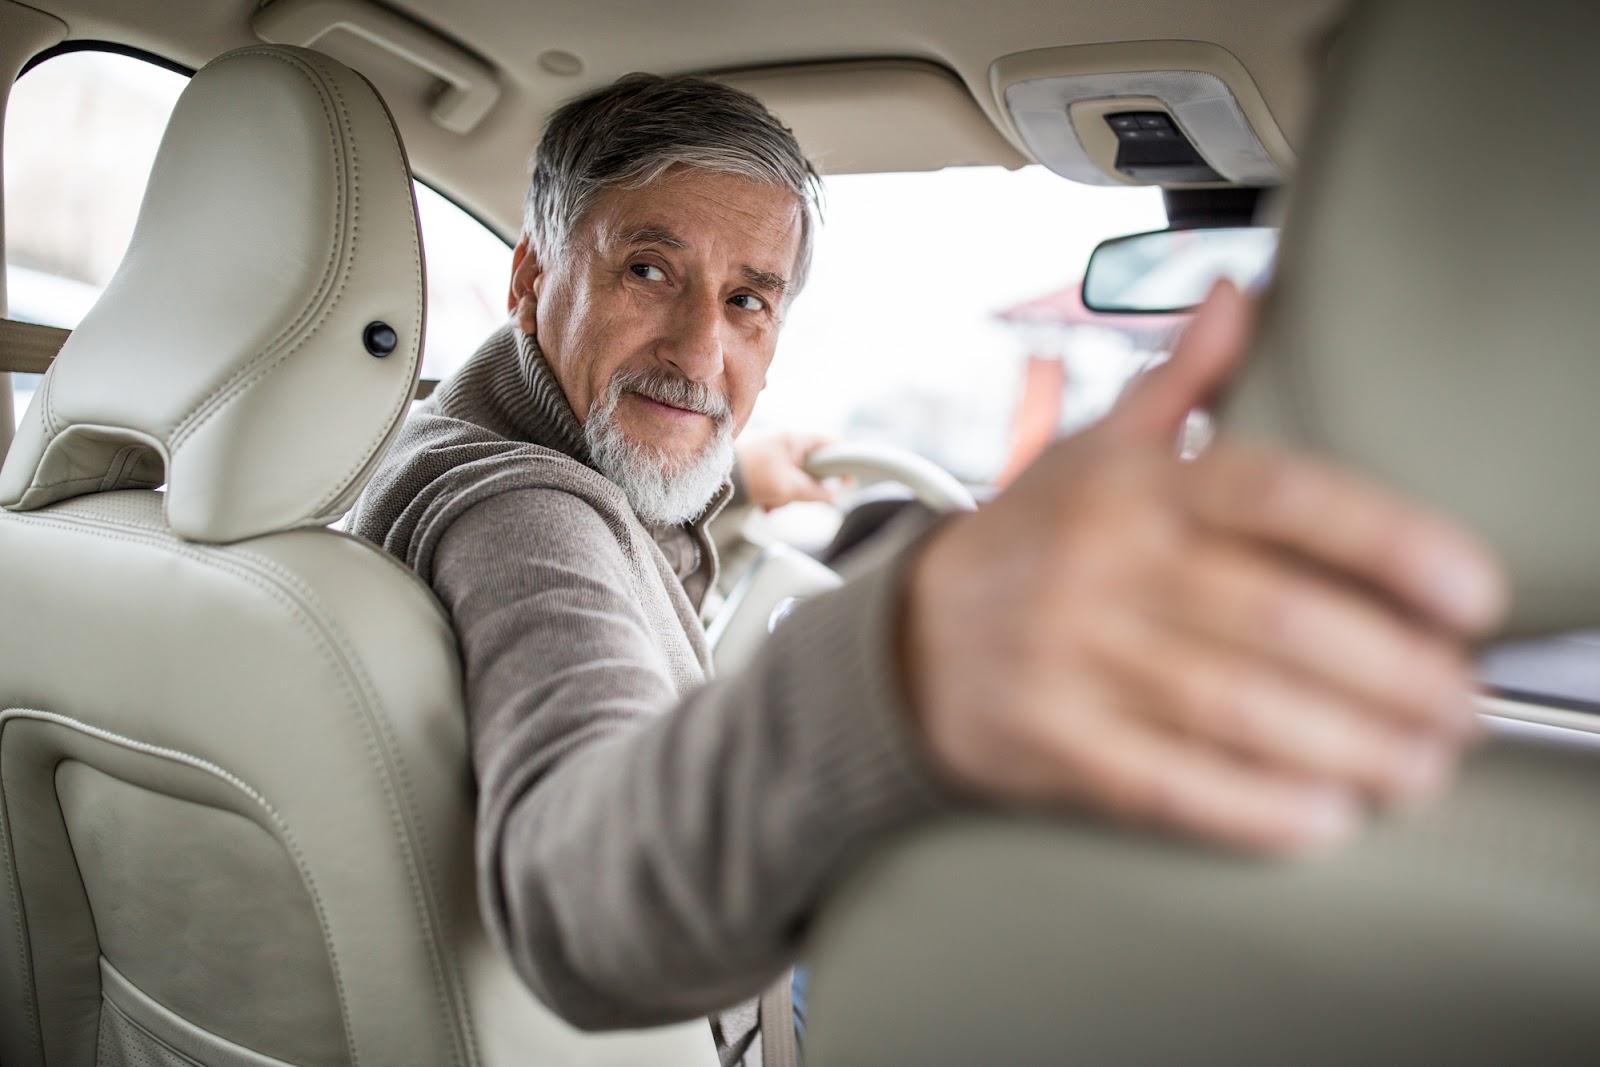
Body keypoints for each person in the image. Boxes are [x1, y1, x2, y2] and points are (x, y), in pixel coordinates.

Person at [347, 73, 1505, 1065]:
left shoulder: (438, 450)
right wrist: (905, 658)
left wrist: (737, 473)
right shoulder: (524, 513)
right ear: (527, 276)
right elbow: (579, 894)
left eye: (748, 298)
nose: (702, 349)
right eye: (649, 270)